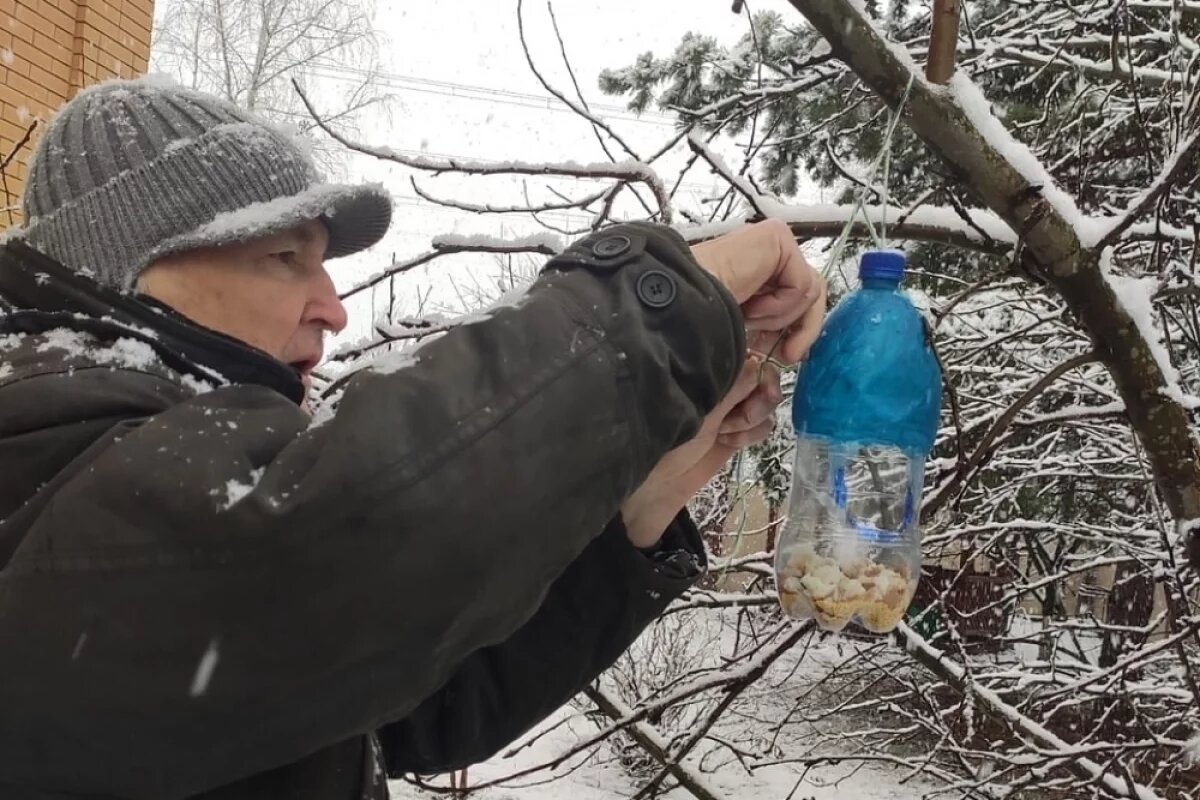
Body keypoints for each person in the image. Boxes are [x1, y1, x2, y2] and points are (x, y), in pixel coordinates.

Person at [0, 77, 825, 800]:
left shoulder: (164, 500)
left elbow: (416, 705)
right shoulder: (38, 443)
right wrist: (659, 306)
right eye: (286, 257)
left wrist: (649, 494)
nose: (332, 307)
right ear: (127, 270)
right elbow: (329, 544)